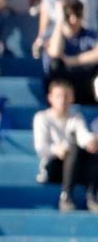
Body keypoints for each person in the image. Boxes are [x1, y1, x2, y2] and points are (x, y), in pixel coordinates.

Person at [34, 76, 98, 209]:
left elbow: (83, 135)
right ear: (50, 98)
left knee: (91, 151)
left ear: (71, 98)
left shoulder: (75, 117)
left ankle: (91, 195)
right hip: (52, 166)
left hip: (72, 165)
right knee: (73, 148)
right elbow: (41, 148)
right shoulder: (42, 118)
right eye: (58, 96)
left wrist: (91, 141)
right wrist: (55, 150)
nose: (62, 100)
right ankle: (66, 196)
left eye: (66, 96)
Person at [45, 0, 98, 102]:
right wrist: (60, 21)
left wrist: (71, 61)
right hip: (60, 86)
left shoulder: (90, 34)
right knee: (56, 64)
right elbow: (55, 52)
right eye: (68, 15)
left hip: (85, 82)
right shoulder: (51, 34)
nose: (73, 20)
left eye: (78, 15)